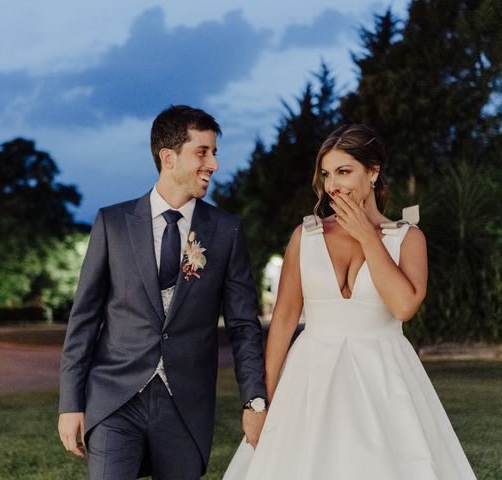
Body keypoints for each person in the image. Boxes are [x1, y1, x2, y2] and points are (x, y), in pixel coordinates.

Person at [223, 124, 477, 479]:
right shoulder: (305, 236)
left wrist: (366, 235)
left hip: (383, 381)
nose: (333, 185)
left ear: (373, 172)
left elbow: (404, 306)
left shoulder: (408, 238)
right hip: (311, 378)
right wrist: (261, 403)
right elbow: (283, 319)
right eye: (327, 174)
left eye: (344, 171)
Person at [58, 105, 267, 480]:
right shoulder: (113, 223)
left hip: (186, 405)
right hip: (115, 398)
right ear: (167, 157)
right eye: (202, 152)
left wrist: (254, 400)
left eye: (214, 152)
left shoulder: (225, 231)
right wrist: (70, 403)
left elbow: (243, 326)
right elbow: (84, 318)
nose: (214, 164)